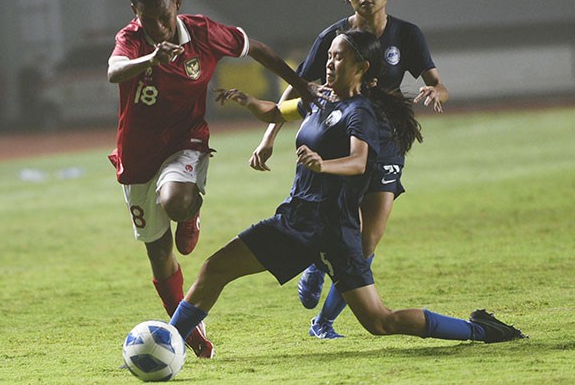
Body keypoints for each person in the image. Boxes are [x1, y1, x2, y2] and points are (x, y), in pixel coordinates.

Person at [169, 29, 525, 349]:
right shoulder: (318, 98)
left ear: (362, 67)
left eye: (339, 57)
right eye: (329, 56)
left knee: (380, 322)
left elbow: (358, 161)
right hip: (294, 222)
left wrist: (323, 165)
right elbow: (277, 112)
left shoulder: (362, 113)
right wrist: (247, 102)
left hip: (334, 231)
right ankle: (169, 343)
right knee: (214, 269)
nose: (329, 62)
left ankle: (480, 330)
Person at [107, 0, 317, 358]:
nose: (158, 27)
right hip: (137, 154)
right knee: (158, 251)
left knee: (174, 201)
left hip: (186, 140)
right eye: (147, 19)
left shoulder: (203, 33)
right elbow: (114, 70)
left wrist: (302, 85)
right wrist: (149, 58)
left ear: (178, 5)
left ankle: (189, 212)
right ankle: (191, 333)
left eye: (165, 17)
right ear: (136, 12)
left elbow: (256, 49)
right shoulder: (133, 39)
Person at [251, 0, 450, 339]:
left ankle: (323, 322)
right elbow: (298, 85)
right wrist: (268, 135)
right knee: (331, 225)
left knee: (367, 240)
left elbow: (439, 81)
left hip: (386, 144)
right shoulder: (333, 38)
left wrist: (435, 89)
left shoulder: (407, 35)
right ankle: (315, 262)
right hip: (338, 139)